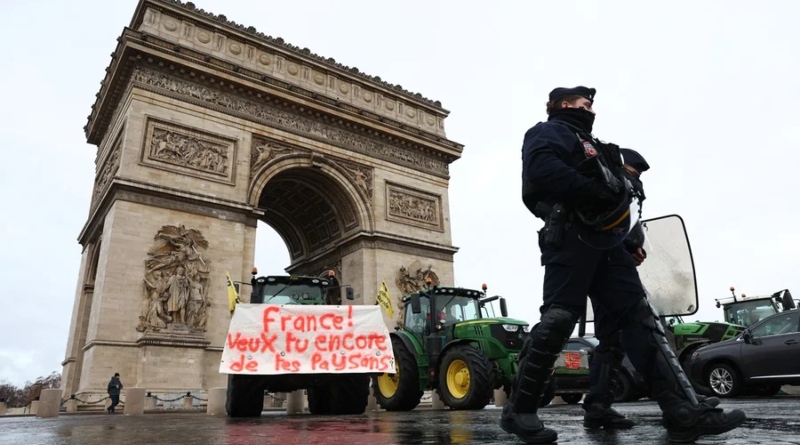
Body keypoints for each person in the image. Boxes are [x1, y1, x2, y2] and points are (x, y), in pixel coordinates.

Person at [501, 86, 746, 443]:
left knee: (640, 321)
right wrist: (596, 190)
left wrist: (629, 238)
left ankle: (683, 410)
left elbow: (619, 199)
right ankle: (519, 410)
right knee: (559, 319)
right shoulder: (548, 131)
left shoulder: (595, 144)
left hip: (608, 244)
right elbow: (541, 171)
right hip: (570, 234)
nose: (591, 109)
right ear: (564, 104)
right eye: (585, 104)